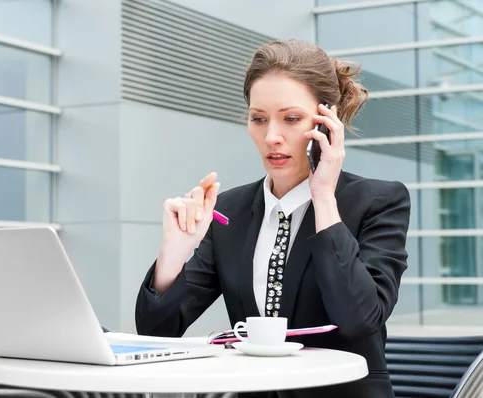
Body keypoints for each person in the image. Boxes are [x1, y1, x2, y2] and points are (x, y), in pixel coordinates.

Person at [135, 39, 410, 398]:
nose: (271, 137)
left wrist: (323, 197)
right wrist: (174, 252)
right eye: (259, 119)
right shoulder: (231, 210)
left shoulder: (378, 201)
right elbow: (157, 331)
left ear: (328, 122)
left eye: (291, 118)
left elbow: (359, 322)